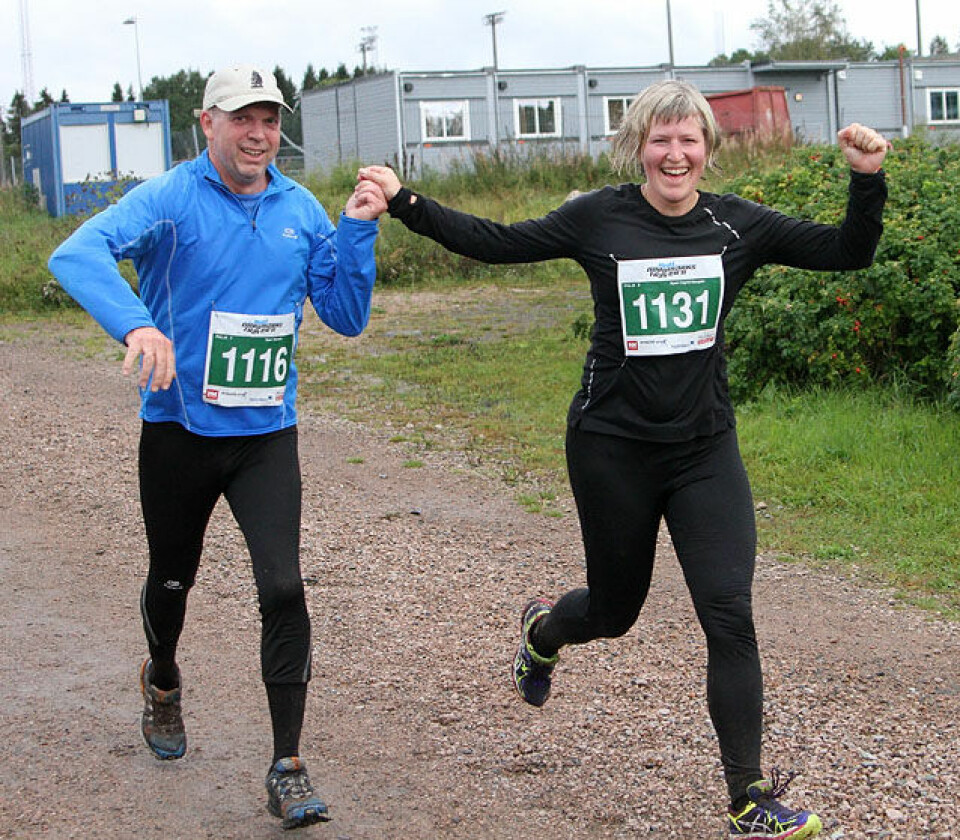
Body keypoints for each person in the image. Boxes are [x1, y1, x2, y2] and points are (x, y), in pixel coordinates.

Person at [357, 80, 888, 839]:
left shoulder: (736, 226)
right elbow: (499, 243)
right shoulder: (598, 217)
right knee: (614, 611)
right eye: (660, 140)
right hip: (612, 450)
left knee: (730, 612)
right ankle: (545, 632)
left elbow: (848, 253)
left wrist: (866, 181)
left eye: (689, 140)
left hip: (704, 450)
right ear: (639, 146)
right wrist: (408, 202)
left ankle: (748, 797)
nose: (675, 154)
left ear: (708, 148)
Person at [48, 65, 387, 830]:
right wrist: (137, 323)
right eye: (243, 119)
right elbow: (76, 253)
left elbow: (344, 313)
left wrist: (359, 226)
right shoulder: (171, 199)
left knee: (284, 588)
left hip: (266, 434)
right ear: (208, 123)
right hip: (178, 431)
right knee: (173, 581)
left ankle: (288, 766)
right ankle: (163, 680)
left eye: (269, 120)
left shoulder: (299, 208)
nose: (258, 134)